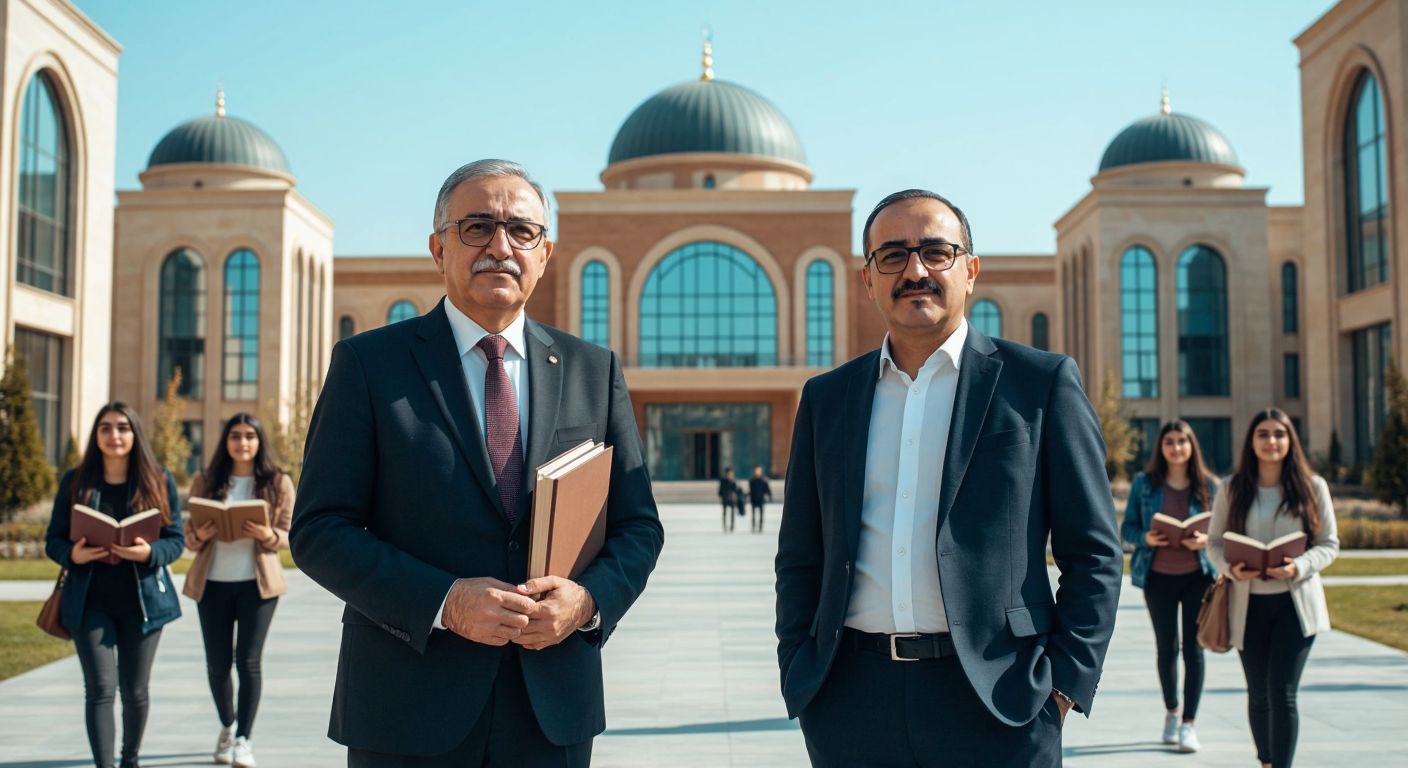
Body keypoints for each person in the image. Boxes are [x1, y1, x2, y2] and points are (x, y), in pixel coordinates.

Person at [290, 159, 664, 767]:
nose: (501, 246)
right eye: (477, 227)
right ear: (438, 249)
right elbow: (318, 530)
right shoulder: (369, 365)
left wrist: (587, 602)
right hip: (407, 706)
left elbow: (638, 527)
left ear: (546, 254)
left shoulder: (594, 372)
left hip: (552, 707)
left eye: (522, 231)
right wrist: (444, 600)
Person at [774, 189, 1123, 767]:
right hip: (851, 706)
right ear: (867, 279)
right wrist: (801, 670)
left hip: (1000, 701)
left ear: (971, 269)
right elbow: (801, 555)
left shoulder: (1039, 386)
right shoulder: (827, 398)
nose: (915, 271)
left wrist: (1061, 689)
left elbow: (1095, 554)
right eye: (892, 255)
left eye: (936, 252)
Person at [44, 403, 183, 768]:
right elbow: (52, 540)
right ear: (96, 435)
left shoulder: (158, 479)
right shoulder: (76, 481)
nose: (114, 435)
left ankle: (130, 760)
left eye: (122, 427)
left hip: (144, 603)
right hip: (89, 602)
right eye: (105, 428)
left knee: (135, 691)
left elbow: (176, 541)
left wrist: (148, 552)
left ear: (135, 434)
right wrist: (73, 554)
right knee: (100, 689)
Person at [1208, 408, 1338, 768]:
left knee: (1283, 693)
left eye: (1279, 434)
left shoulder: (1313, 488)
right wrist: (1230, 568)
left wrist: (1300, 565)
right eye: (1263, 434)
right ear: (1251, 441)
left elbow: (1329, 543)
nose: (1271, 441)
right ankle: (1265, 762)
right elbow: (1214, 542)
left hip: (1295, 607)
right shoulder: (1231, 488)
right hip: (1246, 607)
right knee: (1259, 694)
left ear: (1289, 441)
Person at [183, 413, 295, 767]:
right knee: (217, 665)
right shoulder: (206, 481)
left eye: (249, 435)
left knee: (248, 662)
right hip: (212, 584)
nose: (242, 442)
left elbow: (292, 534)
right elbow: (188, 537)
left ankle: (244, 740)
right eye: (235, 435)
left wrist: (268, 536)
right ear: (226, 441)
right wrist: (198, 536)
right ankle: (228, 726)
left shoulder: (278, 483)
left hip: (257, 586)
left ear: (259, 441)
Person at [1120, 420, 1220, 753]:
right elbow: (1127, 529)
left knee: (1194, 650)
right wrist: (1145, 538)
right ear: (1161, 447)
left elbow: (1223, 533)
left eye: (1182, 441)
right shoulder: (1144, 484)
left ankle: (1190, 724)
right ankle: (1172, 713)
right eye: (1169, 442)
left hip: (1198, 577)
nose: (1176, 447)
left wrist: (1206, 540)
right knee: (1167, 648)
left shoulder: (1210, 486)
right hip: (1158, 578)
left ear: (1192, 446)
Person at [748, 466, 772, 533]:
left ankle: (760, 527)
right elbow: (751, 491)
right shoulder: (752, 481)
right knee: (753, 515)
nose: (757, 472)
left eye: (759, 471)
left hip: (761, 499)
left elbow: (767, 490)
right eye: (756, 471)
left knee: (761, 514)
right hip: (754, 499)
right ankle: (753, 526)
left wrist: (768, 496)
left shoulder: (764, 481)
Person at [719, 467, 738, 533]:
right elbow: (720, 490)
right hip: (725, 499)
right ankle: (725, 526)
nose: (730, 475)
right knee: (725, 513)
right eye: (729, 473)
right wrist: (721, 496)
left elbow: (736, 490)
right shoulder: (723, 481)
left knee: (732, 513)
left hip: (732, 500)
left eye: (731, 473)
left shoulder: (733, 481)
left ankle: (732, 526)